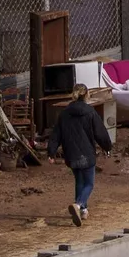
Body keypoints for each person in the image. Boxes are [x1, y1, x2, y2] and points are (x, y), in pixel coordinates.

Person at [48, 84, 113, 226]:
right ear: (86, 95)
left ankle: (83, 211)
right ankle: (78, 205)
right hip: (87, 153)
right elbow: (100, 132)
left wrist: (51, 152)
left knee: (79, 181)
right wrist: (107, 147)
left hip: (71, 154)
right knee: (89, 183)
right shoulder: (90, 112)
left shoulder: (64, 113)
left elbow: (56, 134)